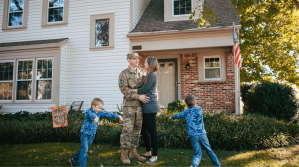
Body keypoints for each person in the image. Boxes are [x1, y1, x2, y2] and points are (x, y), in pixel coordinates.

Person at [168, 95, 221, 167]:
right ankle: (217, 165)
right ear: (195, 102)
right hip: (202, 134)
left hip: (193, 136)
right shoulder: (199, 109)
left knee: (197, 153)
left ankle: (193, 165)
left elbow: (179, 115)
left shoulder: (186, 112)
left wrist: (172, 117)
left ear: (186, 104)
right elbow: (194, 109)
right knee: (209, 150)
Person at [69, 98, 123, 167]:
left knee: (84, 149)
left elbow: (107, 114)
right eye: (99, 108)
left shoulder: (99, 113)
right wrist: (95, 117)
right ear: (93, 106)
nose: (100, 110)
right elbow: (91, 115)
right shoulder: (88, 111)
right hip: (84, 134)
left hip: (92, 135)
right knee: (84, 150)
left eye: (101, 108)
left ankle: (73, 158)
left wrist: (118, 116)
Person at [118, 53, 149, 164]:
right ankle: (124, 154)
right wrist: (138, 96)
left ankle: (134, 152)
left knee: (137, 129)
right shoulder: (124, 74)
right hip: (129, 107)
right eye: (134, 58)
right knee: (127, 129)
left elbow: (148, 86)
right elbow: (124, 90)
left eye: (138, 58)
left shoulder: (143, 72)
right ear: (129, 59)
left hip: (140, 106)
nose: (137, 60)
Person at [130, 56, 160, 164]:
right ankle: (148, 152)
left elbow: (144, 89)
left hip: (150, 107)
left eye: (146, 62)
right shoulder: (149, 75)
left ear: (150, 64)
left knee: (152, 132)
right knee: (143, 130)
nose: (144, 63)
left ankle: (154, 157)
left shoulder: (152, 75)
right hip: (147, 107)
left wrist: (130, 90)